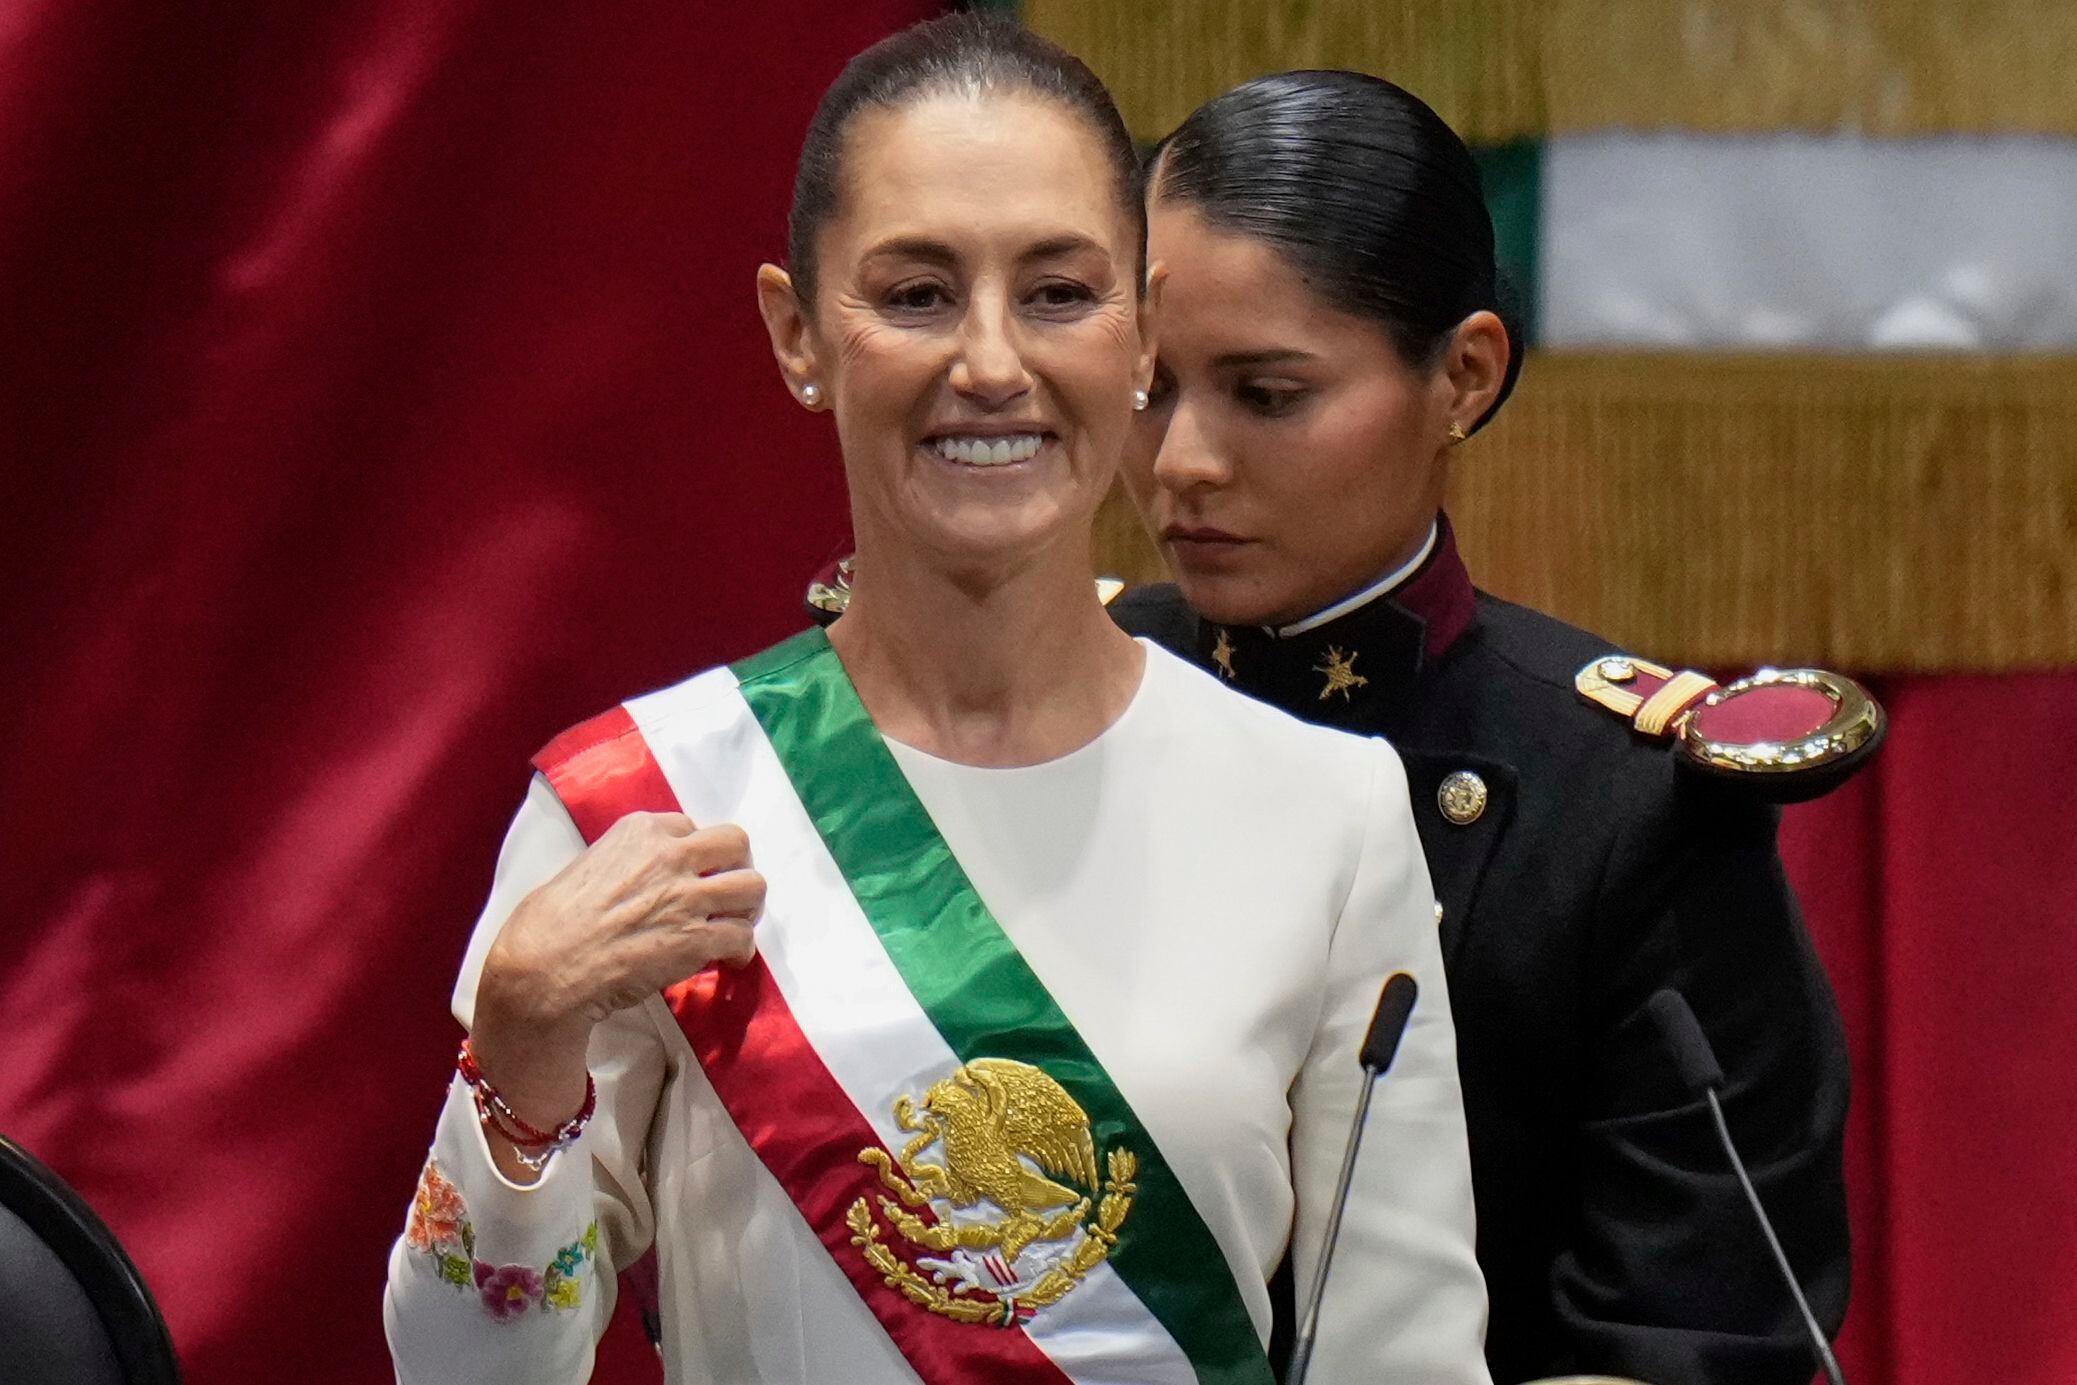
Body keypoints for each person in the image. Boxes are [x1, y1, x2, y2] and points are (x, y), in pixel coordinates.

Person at [384, 21, 1491, 1385]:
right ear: (798, 334)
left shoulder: (1327, 814)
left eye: (1058, 293)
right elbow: (464, 1371)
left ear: (1142, 329)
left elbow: (1403, 1360)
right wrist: (520, 1053)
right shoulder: (640, 805)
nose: (989, 362)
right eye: (915, 294)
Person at [1106, 71, 1861, 1385]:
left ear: (1462, 375)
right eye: (1148, 386)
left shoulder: (1627, 800)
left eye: (1266, 394)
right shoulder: (1059, 702)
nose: (1181, 460)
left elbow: (1699, 1329)